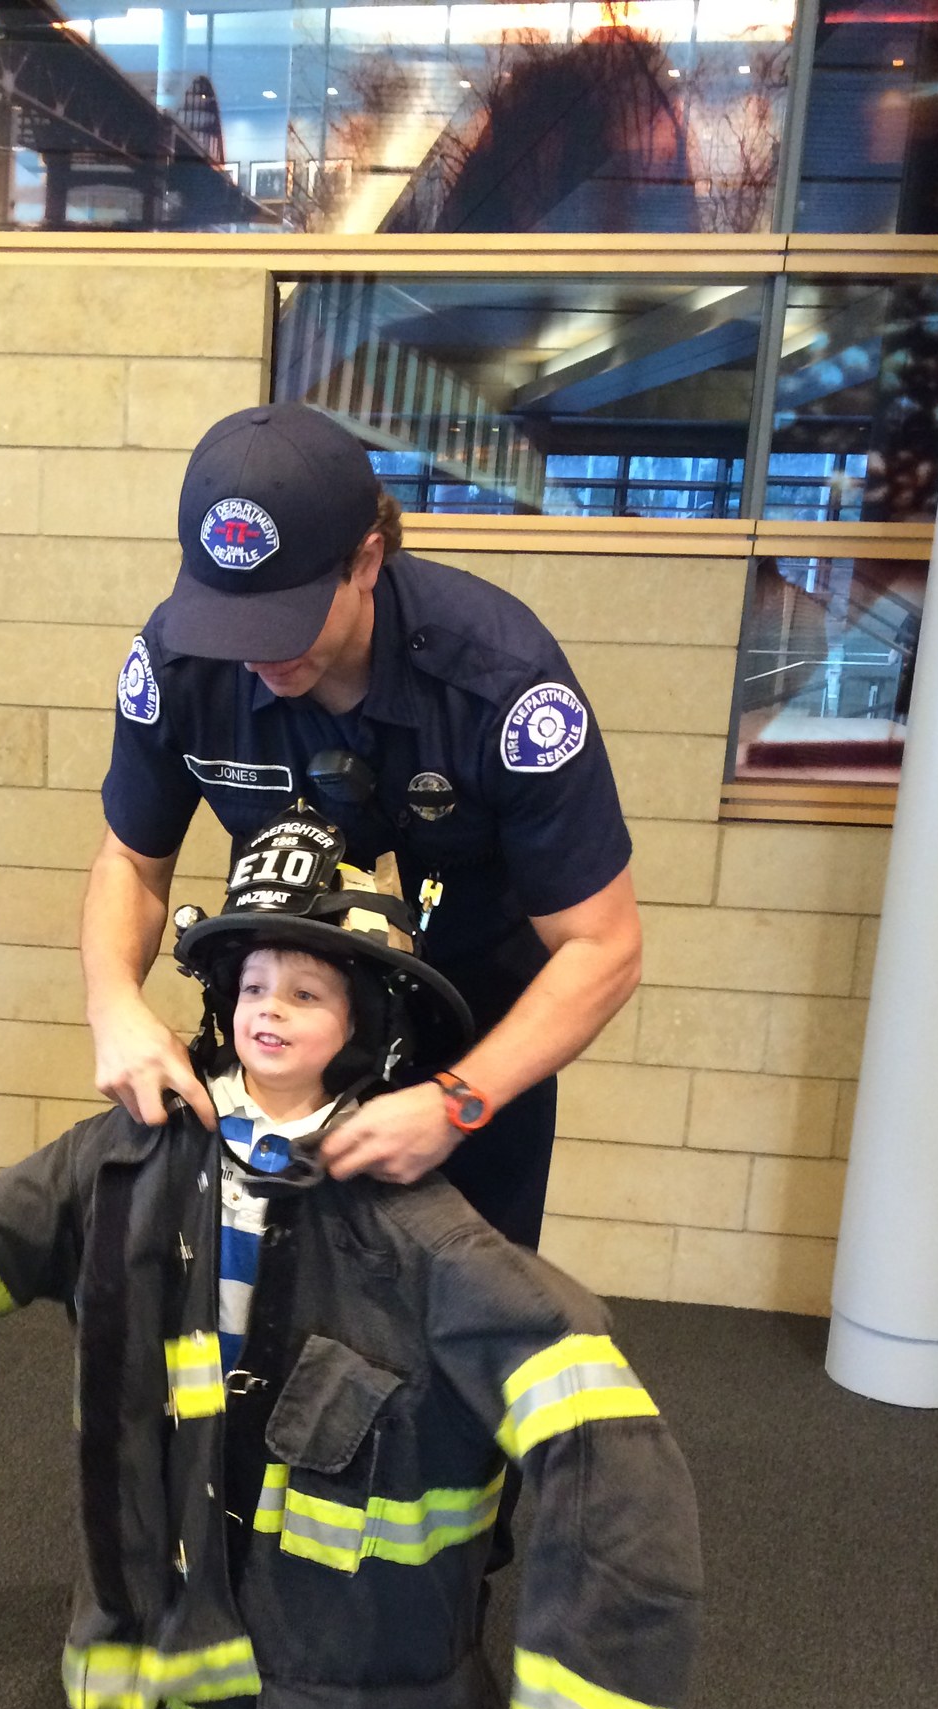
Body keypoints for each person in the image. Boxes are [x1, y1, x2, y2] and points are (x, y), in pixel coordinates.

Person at [0, 811, 700, 1709]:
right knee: (197, 1543)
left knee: (310, 1613)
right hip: (169, 1551)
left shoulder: (419, 1231)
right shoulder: (124, 1163)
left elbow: (598, 1426)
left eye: (307, 991)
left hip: (343, 1610)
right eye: (253, 986)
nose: (271, 1010)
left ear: (363, 1025)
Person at [82, 399, 642, 1252]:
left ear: (367, 560)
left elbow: (604, 945)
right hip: (286, 1037)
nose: (259, 659)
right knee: (258, 1318)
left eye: (286, 619)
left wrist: (462, 1098)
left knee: (461, 1325)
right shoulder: (179, 662)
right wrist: (114, 1002)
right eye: (234, 620)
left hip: (473, 1041)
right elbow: (131, 858)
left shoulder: (501, 683)